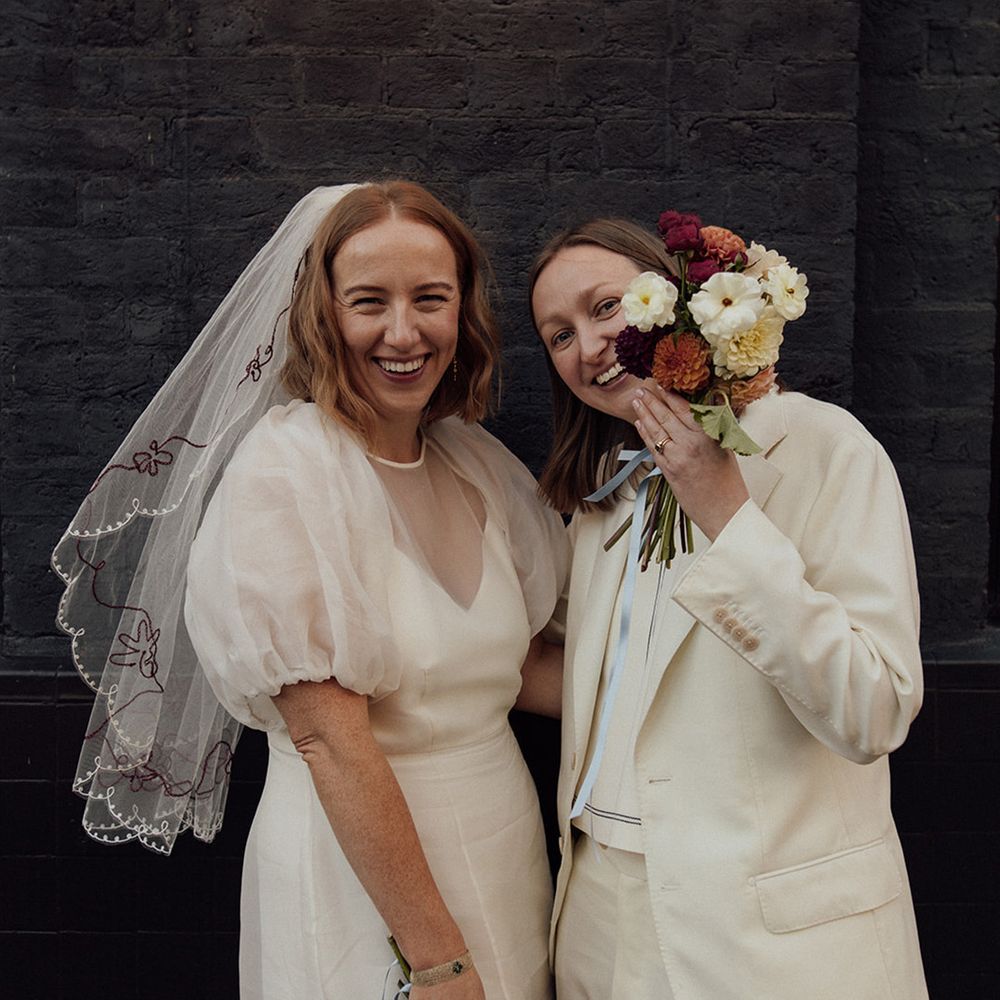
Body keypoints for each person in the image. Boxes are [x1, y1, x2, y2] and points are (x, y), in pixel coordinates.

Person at [53, 181, 567, 1000]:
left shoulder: (473, 465)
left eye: (430, 299)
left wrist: (675, 700)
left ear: (461, 312)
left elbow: (515, 665)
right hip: (366, 879)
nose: (404, 332)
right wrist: (437, 962)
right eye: (370, 301)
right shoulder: (288, 471)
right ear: (322, 313)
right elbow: (331, 739)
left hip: (502, 843)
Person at [528, 219, 928, 1000]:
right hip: (599, 918)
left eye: (607, 306)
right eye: (557, 335)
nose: (587, 345)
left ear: (677, 302)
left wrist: (726, 515)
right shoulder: (603, 497)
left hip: (768, 942)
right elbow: (598, 684)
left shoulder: (824, 447)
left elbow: (874, 711)